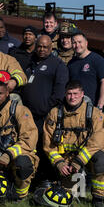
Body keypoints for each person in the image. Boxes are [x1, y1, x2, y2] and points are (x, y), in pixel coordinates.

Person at [43, 81, 104, 207]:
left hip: (87, 156)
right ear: (65, 94)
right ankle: (67, 188)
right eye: (69, 94)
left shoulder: (93, 113)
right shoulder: (54, 113)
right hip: (65, 160)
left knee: (103, 160)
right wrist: (59, 163)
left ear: (82, 94)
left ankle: (100, 198)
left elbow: (100, 137)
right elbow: (48, 143)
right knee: (67, 196)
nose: (72, 97)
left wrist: (80, 160)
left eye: (76, 93)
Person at [0, 81, 39, 201]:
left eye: (0, 93)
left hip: (16, 157)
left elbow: (29, 139)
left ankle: (20, 195)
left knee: (24, 163)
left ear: (7, 93)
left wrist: (9, 154)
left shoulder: (20, 111)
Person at [21, 35, 69, 185]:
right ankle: (32, 180)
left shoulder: (58, 65)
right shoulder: (31, 62)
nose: (41, 49)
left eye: (45, 47)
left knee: (45, 147)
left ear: (51, 48)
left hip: (46, 116)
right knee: (30, 147)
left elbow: (59, 93)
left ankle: (47, 180)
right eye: (39, 46)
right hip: (29, 116)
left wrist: (45, 109)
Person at [68, 31, 104, 110]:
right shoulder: (71, 64)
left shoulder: (97, 60)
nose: (77, 45)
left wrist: (99, 106)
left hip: (94, 109)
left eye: (80, 42)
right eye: (74, 43)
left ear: (86, 43)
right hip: (76, 110)